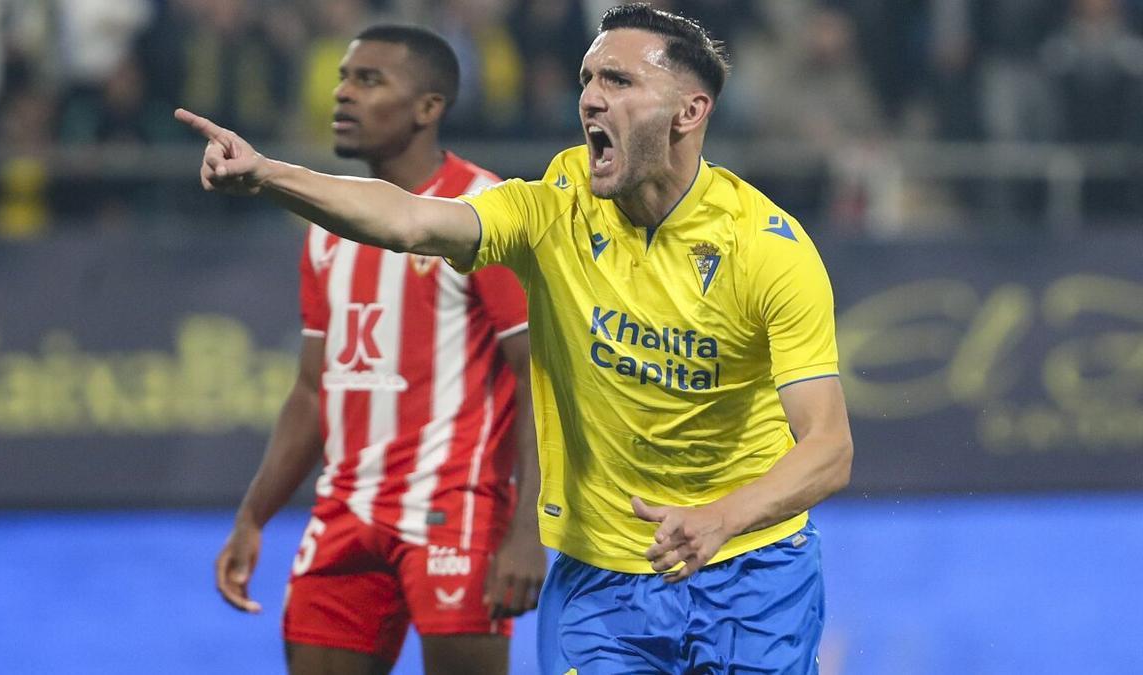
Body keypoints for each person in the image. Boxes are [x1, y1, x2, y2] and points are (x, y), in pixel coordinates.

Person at [182, 4, 853, 673]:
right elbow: (411, 219)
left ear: (688, 112)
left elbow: (827, 446)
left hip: (752, 570)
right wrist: (269, 174)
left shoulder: (768, 250)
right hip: (601, 583)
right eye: (588, 78)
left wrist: (721, 517)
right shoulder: (551, 208)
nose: (590, 96)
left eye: (618, 81)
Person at [209, 25, 546, 675]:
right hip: (345, 513)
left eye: (369, 80)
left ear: (429, 108)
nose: (342, 94)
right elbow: (313, 390)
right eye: (343, 77)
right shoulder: (325, 228)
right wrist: (253, 515)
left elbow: (537, 376)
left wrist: (528, 529)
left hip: (456, 511)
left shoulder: (487, 213)